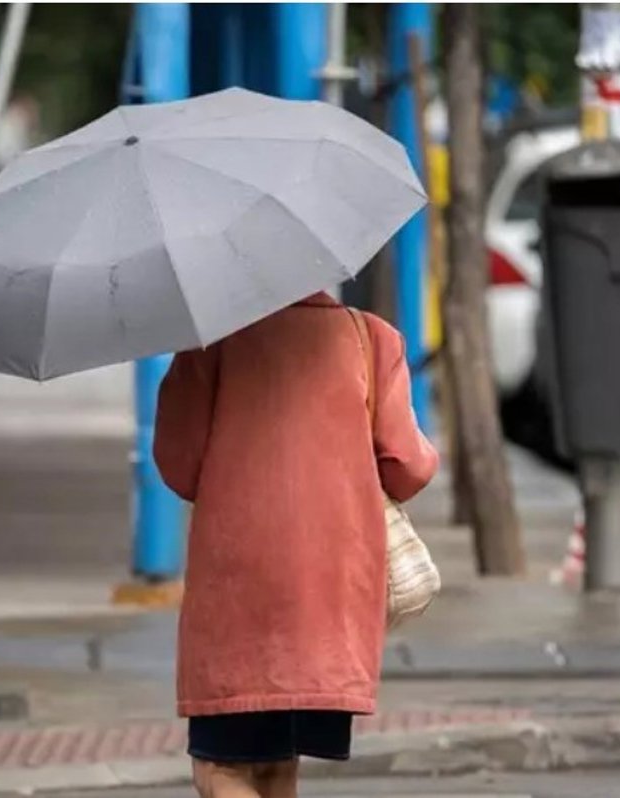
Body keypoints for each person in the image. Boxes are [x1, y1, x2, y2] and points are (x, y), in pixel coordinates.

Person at [154, 291, 440, 798]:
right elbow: (407, 465)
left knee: (220, 769)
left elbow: (178, 462)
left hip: (239, 590)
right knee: (277, 768)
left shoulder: (212, 343)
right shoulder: (368, 338)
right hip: (330, 592)